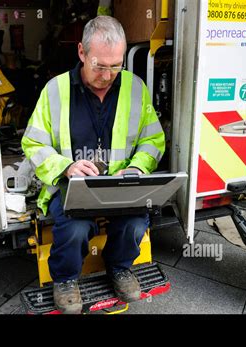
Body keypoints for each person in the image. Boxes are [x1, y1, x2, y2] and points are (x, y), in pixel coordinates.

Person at [22, 16, 165, 314]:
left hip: (121, 184)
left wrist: (137, 169)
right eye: (100, 66)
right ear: (81, 53)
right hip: (73, 185)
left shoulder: (136, 88)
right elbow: (33, 142)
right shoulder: (54, 90)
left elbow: (153, 139)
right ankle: (65, 279)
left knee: (136, 222)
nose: (108, 75)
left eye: (116, 66)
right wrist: (65, 167)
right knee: (73, 229)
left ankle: (120, 268)